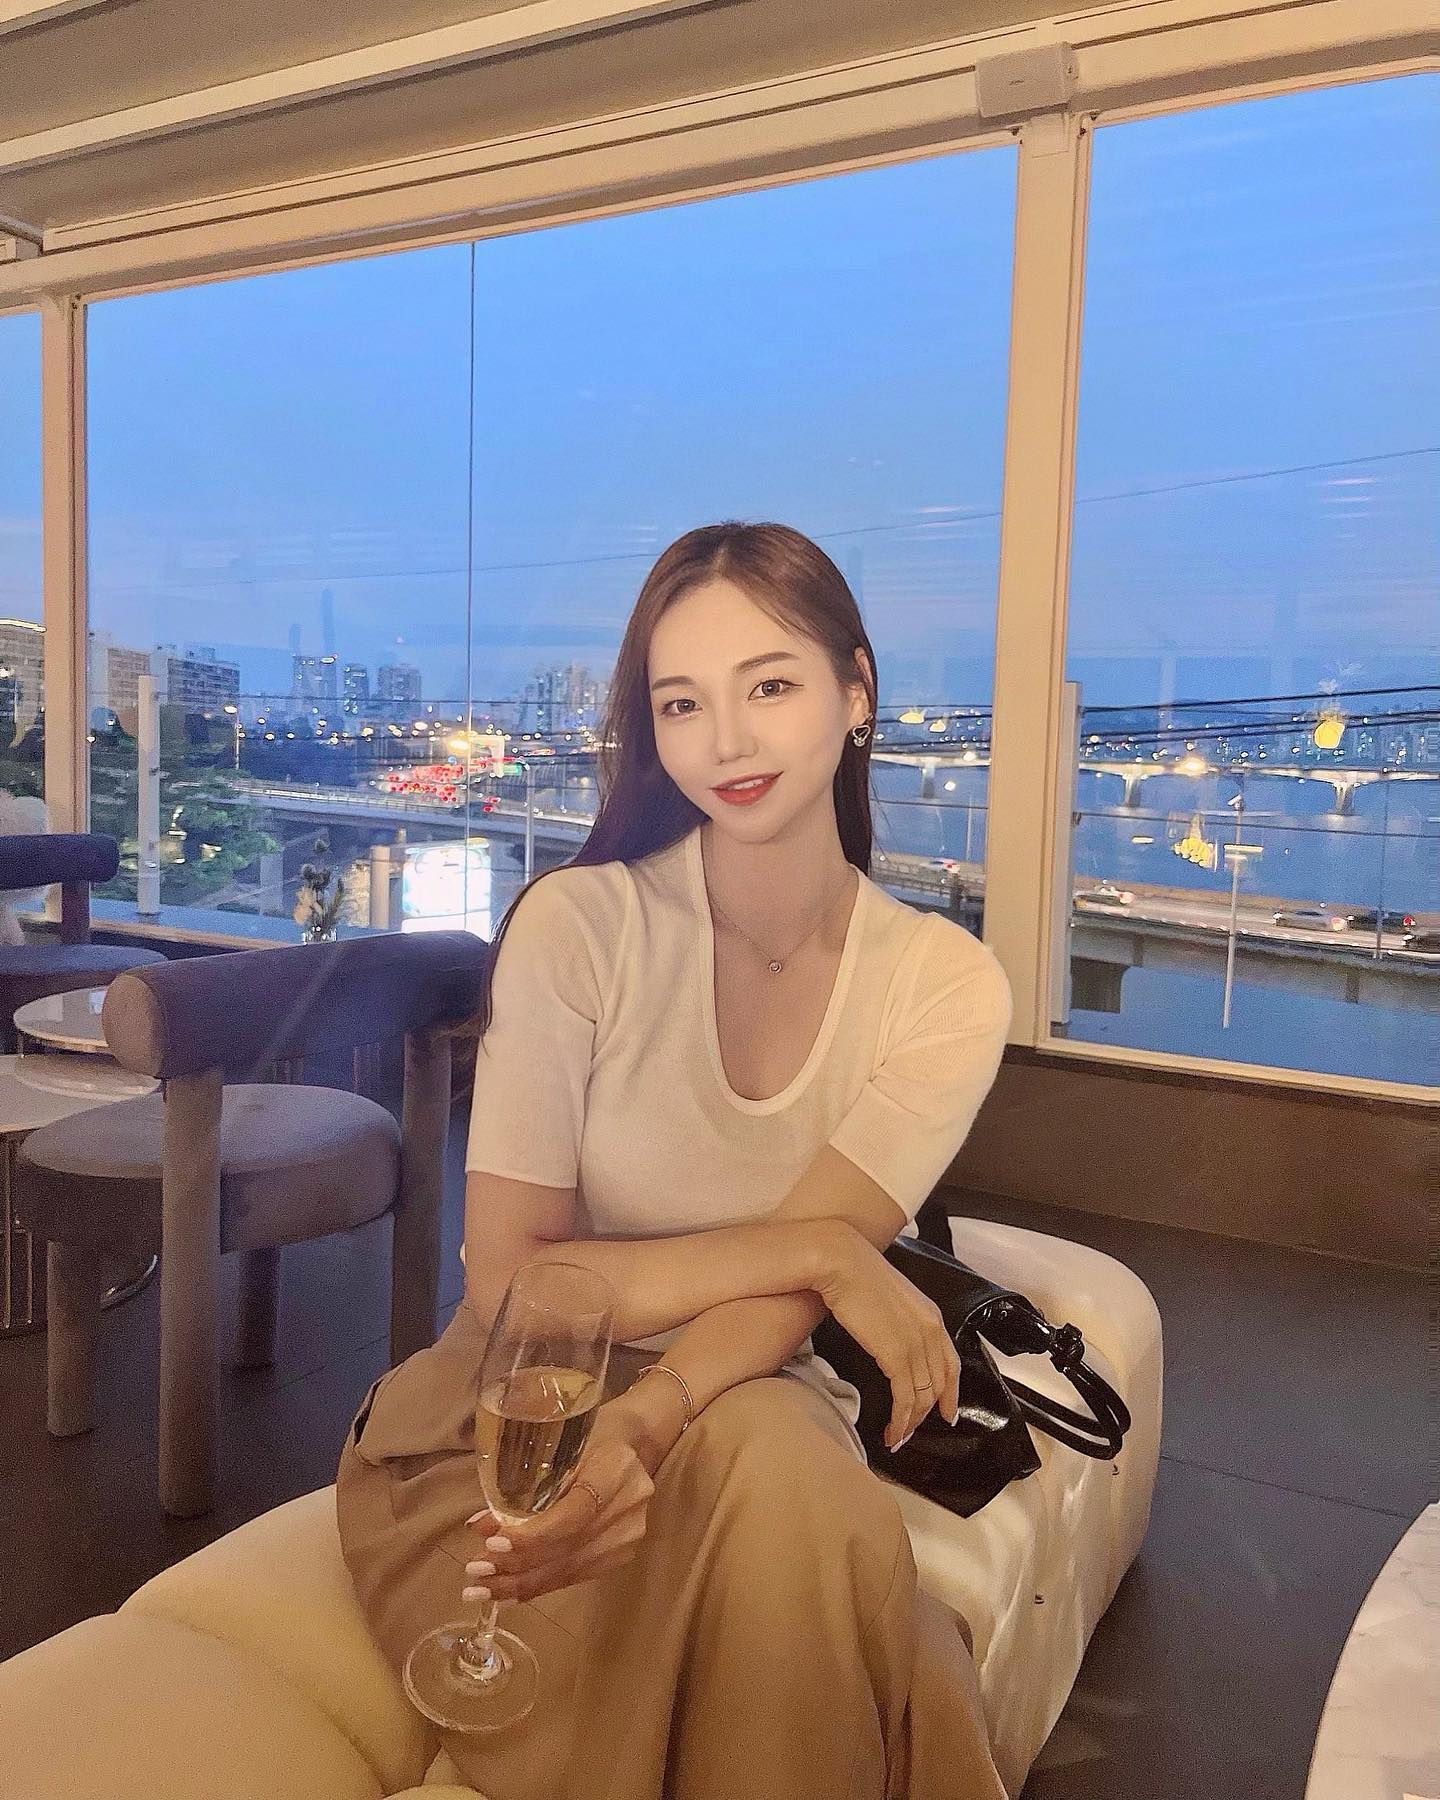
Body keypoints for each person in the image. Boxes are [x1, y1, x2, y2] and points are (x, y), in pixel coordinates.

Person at [336, 522, 1015, 1800]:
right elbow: (516, 1285)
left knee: (782, 1480)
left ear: (857, 692)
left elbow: (785, 1298)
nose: (728, 741)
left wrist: (654, 1415)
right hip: (510, 1411)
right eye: (682, 703)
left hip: (749, 1393)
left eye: (772, 684)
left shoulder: (943, 987)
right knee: (824, 1561)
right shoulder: (580, 927)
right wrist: (827, 1249)